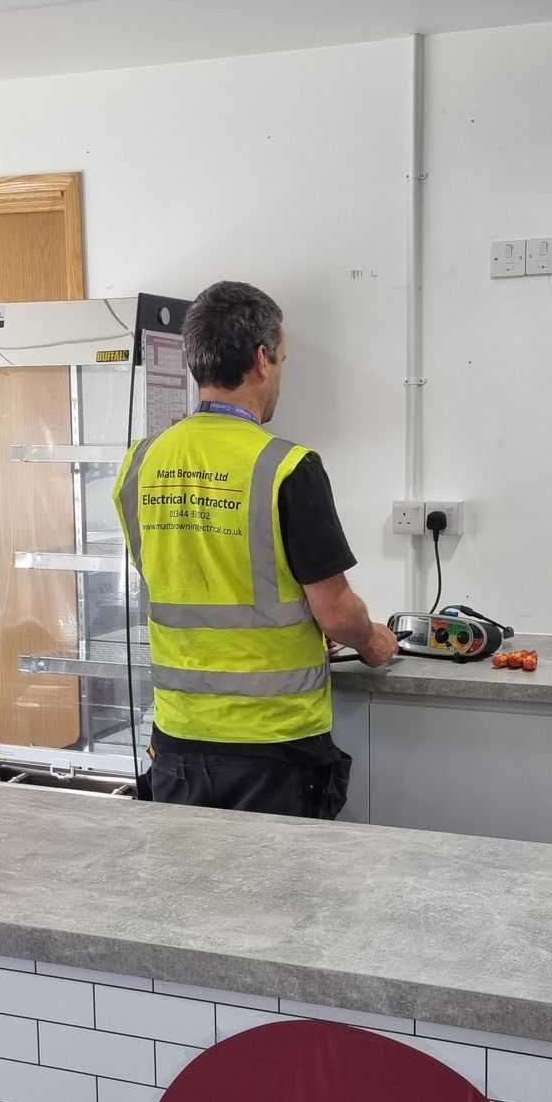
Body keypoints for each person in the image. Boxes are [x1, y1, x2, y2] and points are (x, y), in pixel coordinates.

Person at [113, 280, 397, 817]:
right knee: (280, 900)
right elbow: (335, 611)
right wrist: (370, 641)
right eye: (283, 360)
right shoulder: (287, 467)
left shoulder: (138, 463)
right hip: (274, 747)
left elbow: (184, 580)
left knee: (192, 895)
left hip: (177, 742)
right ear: (262, 360)